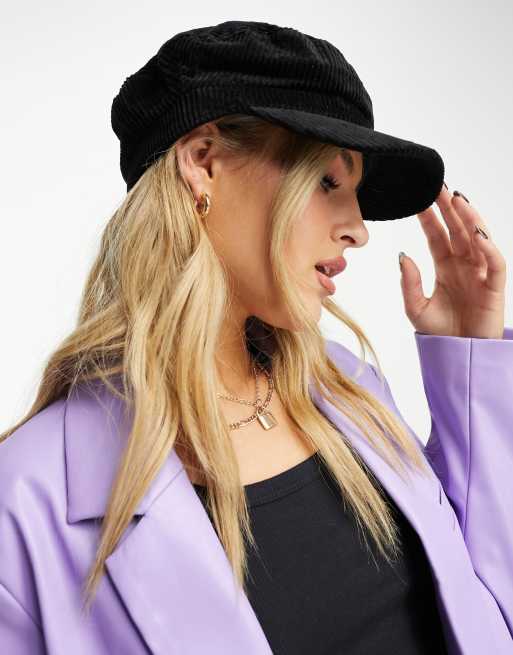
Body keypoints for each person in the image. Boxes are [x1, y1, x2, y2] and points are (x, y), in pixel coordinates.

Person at [0, 19, 511, 655]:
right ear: (203, 162)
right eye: (326, 181)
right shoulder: (27, 501)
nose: (358, 229)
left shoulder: (349, 387)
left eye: (354, 192)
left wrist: (471, 366)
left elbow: (488, 608)